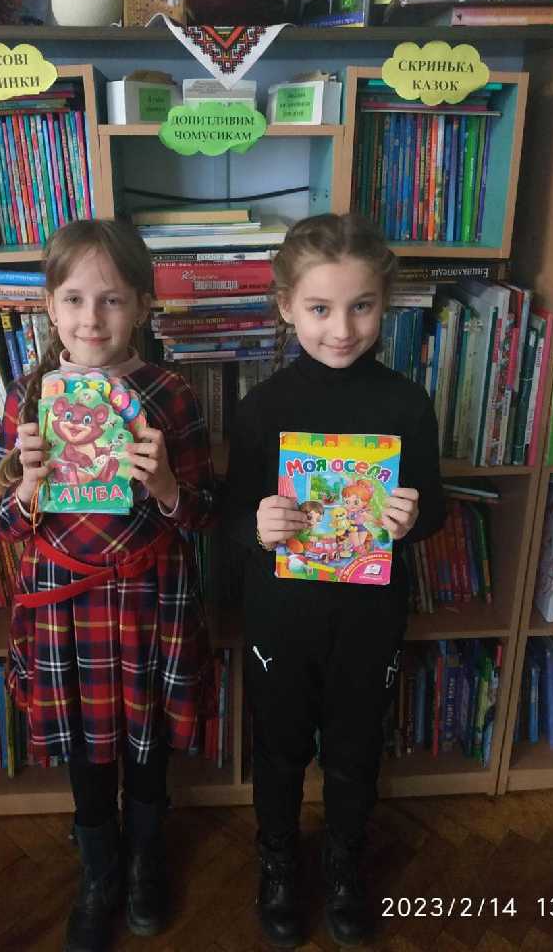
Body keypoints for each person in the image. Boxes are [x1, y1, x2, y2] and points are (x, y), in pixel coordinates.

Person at [0, 220, 216, 952]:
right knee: (88, 751)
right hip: (65, 603)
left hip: (150, 597)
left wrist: (166, 485)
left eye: (113, 299)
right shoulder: (29, 396)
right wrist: (29, 484)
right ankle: (99, 872)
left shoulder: (171, 394)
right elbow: (4, 524)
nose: (92, 318)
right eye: (75, 299)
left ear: (143, 307)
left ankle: (147, 861)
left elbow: (204, 515)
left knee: (147, 745)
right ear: (49, 306)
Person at [224, 213, 445, 948]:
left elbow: (435, 509)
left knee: (355, 749)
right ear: (287, 306)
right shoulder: (262, 408)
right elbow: (229, 516)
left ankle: (346, 863)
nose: (342, 329)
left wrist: (411, 517)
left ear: (385, 305)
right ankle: (279, 861)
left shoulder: (405, 403)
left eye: (362, 306)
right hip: (281, 615)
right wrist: (259, 526)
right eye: (320, 308)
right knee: (279, 747)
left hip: (368, 616)